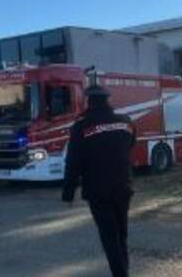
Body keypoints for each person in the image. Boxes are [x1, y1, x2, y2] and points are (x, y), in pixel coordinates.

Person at [62, 84, 136, 277]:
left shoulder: (81, 127)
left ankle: (121, 274)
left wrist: (68, 193)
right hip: (123, 187)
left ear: (89, 101)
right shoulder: (126, 122)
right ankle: (124, 271)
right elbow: (130, 145)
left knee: (109, 237)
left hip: (98, 191)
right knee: (121, 234)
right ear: (107, 100)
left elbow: (73, 162)